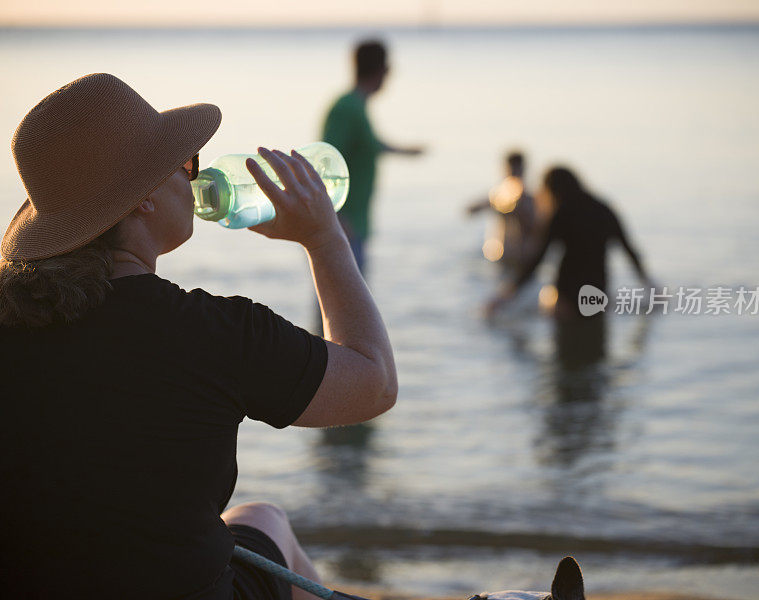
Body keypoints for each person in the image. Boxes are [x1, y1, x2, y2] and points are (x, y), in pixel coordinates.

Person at [0, 73, 397, 599]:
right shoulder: (213, 335)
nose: (196, 177)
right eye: (185, 165)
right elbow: (374, 382)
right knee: (265, 519)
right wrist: (324, 239)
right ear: (141, 199)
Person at [488, 166, 651, 318]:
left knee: (548, 305)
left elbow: (538, 259)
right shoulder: (603, 209)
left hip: (567, 296)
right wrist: (649, 285)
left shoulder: (560, 214)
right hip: (598, 293)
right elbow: (630, 251)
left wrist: (506, 294)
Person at [321, 39, 423, 275]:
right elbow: (323, 161)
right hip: (342, 228)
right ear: (380, 70)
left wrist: (405, 152)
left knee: (348, 304)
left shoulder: (357, 107)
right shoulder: (347, 108)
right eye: (388, 69)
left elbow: (369, 144)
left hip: (352, 225)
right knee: (344, 307)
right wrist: (336, 218)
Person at [466, 151, 538, 273]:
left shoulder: (531, 199)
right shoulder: (498, 195)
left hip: (523, 258)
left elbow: (535, 230)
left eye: (517, 170)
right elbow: (470, 210)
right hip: (500, 256)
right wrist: (495, 206)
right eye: (512, 170)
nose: (515, 174)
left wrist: (516, 213)